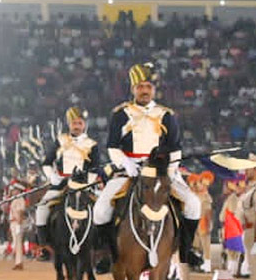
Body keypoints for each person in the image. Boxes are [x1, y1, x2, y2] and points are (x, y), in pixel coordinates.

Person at [93, 62, 203, 268]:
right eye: (141, 87)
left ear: (154, 89)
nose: (145, 90)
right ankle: (108, 253)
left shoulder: (167, 115)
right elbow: (113, 147)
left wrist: (169, 172)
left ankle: (186, 251)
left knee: (194, 204)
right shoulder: (121, 114)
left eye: (148, 87)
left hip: (161, 170)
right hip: (129, 169)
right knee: (100, 210)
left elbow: (175, 148)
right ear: (133, 89)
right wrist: (127, 164)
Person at [34, 106, 100, 246]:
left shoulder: (92, 144)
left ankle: (100, 245)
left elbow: (95, 169)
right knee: (41, 208)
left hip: (83, 185)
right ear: (69, 124)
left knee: (101, 209)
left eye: (80, 123)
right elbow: (46, 163)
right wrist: (53, 177)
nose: (77, 126)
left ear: (84, 125)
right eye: (74, 123)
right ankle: (43, 245)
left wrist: (87, 183)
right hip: (61, 184)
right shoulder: (60, 141)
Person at [7, 178, 28, 270]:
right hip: (14, 222)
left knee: (18, 243)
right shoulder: (15, 199)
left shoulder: (20, 199)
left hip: (17, 222)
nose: (13, 192)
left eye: (15, 190)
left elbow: (20, 211)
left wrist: (19, 222)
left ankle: (19, 262)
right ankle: (17, 261)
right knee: (16, 243)